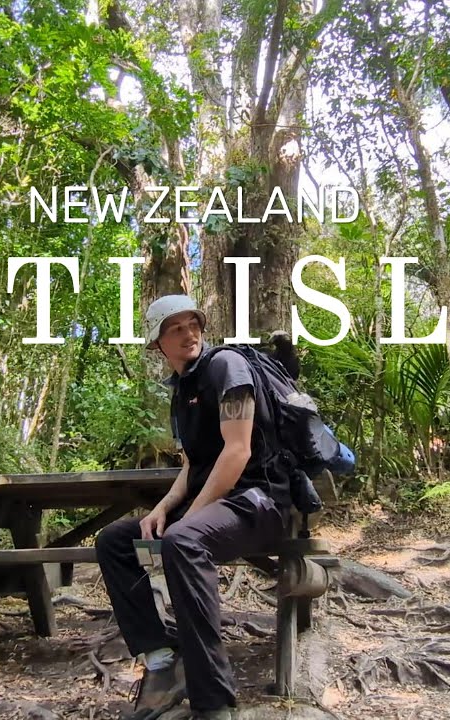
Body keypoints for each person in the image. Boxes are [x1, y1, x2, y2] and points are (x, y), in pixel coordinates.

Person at [95, 294, 291, 720]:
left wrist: (190, 517)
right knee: (115, 541)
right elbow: (192, 465)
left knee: (183, 540)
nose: (188, 334)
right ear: (158, 344)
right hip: (218, 506)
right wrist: (163, 509)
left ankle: (213, 700)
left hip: (259, 503)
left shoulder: (227, 368)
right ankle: (161, 663)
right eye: (175, 328)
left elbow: (237, 451)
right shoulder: (181, 391)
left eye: (193, 324)